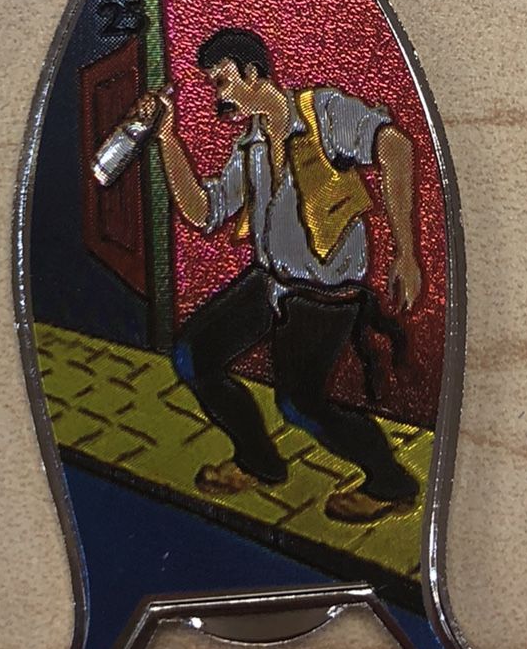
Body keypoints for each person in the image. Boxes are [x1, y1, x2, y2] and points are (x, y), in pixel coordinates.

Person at [136, 27, 424, 523]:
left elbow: (396, 148)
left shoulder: (321, 113)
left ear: (252, 73)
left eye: (223, 81)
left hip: (325, 293)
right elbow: (203, 210)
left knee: (298, 404)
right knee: (192, 355)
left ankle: (390, 483)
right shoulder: (249, 145)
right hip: (271, 282)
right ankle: (259, 461)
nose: (219, 96)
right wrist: (166, 138)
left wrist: (407, 252)